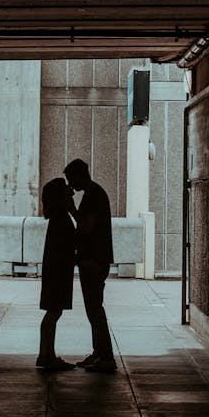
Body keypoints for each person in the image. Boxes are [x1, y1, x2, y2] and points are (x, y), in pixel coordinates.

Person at [64, 158, 117, 373]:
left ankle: (105, 356)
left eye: (70, 179)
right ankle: (99, 352)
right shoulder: (94, 194)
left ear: (79, 176)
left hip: (94, 261)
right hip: (95, 260)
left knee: (95, 309)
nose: (70, 185)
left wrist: (71, 210)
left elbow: (87, 227)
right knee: (93, 308)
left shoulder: (93, 196)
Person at [36, 177, 77, 371]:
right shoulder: (63, 219)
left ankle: (45, 354)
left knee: (53, 311)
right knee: (54, 311)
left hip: (55, 269)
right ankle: (46, 355)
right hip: (59, 270)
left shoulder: (56, 219)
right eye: (67, 190)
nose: (72, 192)